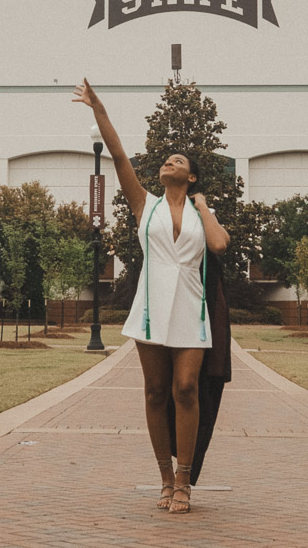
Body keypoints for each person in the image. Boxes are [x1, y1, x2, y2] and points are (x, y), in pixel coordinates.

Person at [73, 77, 229, 514]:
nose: (167, 162)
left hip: (192, 311)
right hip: (150, 307)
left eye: (177, 160)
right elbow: (119, 153)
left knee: (186, 388)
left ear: (191, 175)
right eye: (165, 159)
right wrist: (97, 109)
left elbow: (219, 245)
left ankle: (185, 480)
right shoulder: (145, 204)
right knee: (155, 391)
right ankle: (164, 477)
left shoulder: (201, 214)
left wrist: (202, 206)